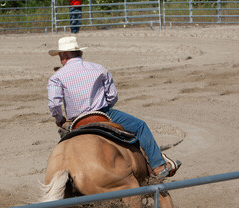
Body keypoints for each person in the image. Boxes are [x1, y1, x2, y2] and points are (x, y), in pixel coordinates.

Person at [47, 36, 181, 178]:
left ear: (65, 56)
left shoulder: (57, 77)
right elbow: (112, 96)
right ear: (78, 53)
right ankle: (158, 166)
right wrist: (104, 107)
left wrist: (60, 119)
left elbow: (54, 104)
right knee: (141, 126)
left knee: (63, 148)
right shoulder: (99, 69)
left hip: (76, 121)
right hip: (103, 114)